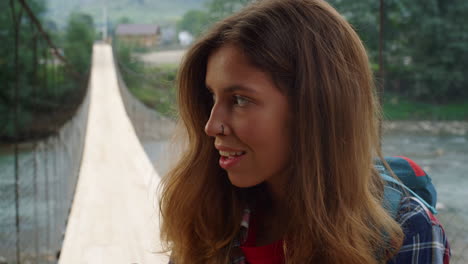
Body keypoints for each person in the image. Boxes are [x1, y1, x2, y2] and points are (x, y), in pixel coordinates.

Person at [159, 0, 451, 263]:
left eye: (240, 100)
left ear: (313, 109)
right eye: (212, 97)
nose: (211, 126)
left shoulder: (406, 234)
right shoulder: (206, 217)